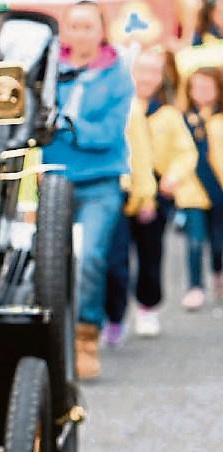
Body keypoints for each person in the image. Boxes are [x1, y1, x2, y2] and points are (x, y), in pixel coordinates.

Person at [43, 0, 134, 379]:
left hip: (100, 181)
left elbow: (109, 132)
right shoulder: (48, 68)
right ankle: (51, 339)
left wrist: (68, 125)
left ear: (101, 31)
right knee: (47, 262)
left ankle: (86, 337)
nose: (80, 33)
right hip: (52, 180)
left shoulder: (117, 74)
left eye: (88, 26)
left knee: (92, 258)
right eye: (74, 26)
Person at [104, 49, 199, 342]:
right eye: (141, 70)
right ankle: (114, 315)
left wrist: (172, 177)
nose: (146, 78)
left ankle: (147, 307)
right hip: (121, 187)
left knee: (150, 255)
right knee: (114, 257)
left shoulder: (168, 114)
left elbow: (186, 152)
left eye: (153, 72)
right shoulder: (119, 107)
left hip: (157, 191)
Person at [179, 66, 223, 308]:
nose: (202, 92)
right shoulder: (183, 120)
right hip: (192, 192)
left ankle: (218, 273)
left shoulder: (219, 120)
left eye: (208, 87)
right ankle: (195, 286)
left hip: (220, 191)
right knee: (194, 241)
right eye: (197, 87)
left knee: (218, 242)